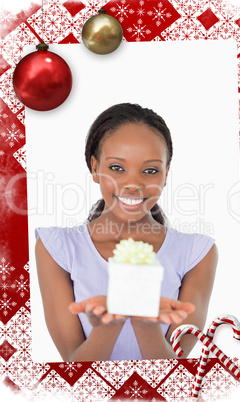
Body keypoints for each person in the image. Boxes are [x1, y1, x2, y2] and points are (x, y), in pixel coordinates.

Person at [35, 103, 218, 362]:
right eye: (117, 168)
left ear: (166, 175)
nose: (132, 184)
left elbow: (175, 377)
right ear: (95, 167)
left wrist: (145, 322)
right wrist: (109, 325)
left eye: (151, 170)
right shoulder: (57, 248)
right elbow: (74, 371)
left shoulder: (197, 253)